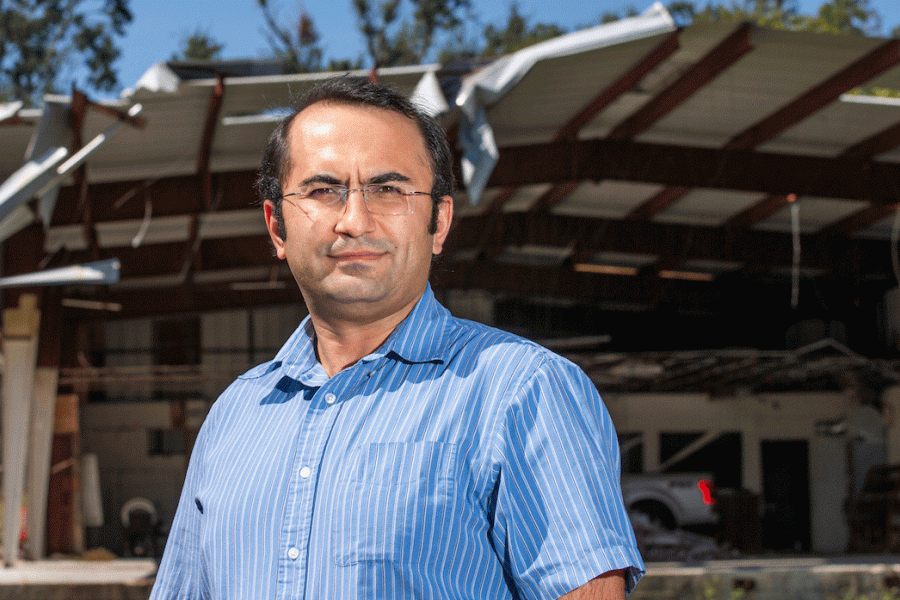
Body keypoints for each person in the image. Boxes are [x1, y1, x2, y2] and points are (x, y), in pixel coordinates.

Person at [149, 76, 644, 600]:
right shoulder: (235, 415)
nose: (354, 221)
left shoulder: (523, 392)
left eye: (388, 190)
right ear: (277, 227)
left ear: (439, 222)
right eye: (322, 191)